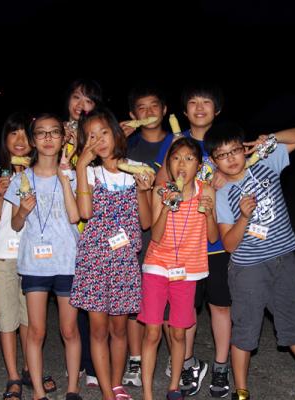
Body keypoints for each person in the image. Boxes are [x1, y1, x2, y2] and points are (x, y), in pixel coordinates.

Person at [206, 122, 295, 400]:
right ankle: (241, 392)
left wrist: (270, 138)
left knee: (294, 322)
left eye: (234, 150)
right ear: (214, 161)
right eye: (222, 155)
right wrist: (244, 217)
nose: (230, 159)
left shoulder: (265, 163)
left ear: (244, 149)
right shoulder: (222, 193)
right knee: (245, 331)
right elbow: (229, 244)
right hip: (248, 269)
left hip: (283, 261)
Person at [70, 107, 153, 400]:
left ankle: (116, 384)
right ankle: (107, 391)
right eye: (91, 136)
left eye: (104, 132)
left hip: (124, 262)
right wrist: (81, 167)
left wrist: (143, 190)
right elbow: (84, 212)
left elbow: (146, 222)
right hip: (94, 262)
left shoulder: (138, 169)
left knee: (120, 330)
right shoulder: (91, 173)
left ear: (117, 133)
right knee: (98, 330)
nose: (99, 140)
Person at [159, 83, 230, 397]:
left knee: (220, 307)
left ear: (217, 109)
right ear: (184, 110)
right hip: (182, 246)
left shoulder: (223, 142)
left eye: (206, 102)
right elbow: (161, 184)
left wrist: (227, 175)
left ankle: (221, 367)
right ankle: (187, 364)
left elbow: (242, 171)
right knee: (183, 313)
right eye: (193, 102)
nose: (200, 108)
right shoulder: (175, 142)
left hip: (215, 245)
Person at [5, 113, 82, 400]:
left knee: (69, 329)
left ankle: (73, 388)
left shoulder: (74, 176)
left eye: (54, 132)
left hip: (67, 261)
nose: (48, 138)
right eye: (41, 133)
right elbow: (15, 224)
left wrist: (66, 179)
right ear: (33, 140)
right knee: (36, 331)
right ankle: (38, 391)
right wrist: (23, 211)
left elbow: (77, 216)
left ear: (63, 138)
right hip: (35, 264)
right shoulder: (21, 178)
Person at [139, 137, 218, 400]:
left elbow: (213, 237)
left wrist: (209, 213)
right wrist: (166, 208)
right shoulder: (160, 191)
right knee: (152, 332)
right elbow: (155, 235)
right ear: (168, 164)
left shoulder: (206, 191)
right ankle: (147, 393)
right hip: (157, 266)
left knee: (178, 332)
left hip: (188, 270)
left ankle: (173, 388)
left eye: (188, 158)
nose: (181, 164)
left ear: (199, 165)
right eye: (175, 158)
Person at [119, 84, 174, 387]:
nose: (149, 112)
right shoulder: (127, 145)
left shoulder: (178, 141)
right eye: (142, 107)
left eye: (155, 105)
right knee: (134, 299)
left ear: (164, 110)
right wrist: (117, 139)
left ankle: (178, 357)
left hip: (170, 229)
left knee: (170, 298)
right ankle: (136, 359)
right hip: (134, 229)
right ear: (132, 114)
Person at [0, 112, 37, 400]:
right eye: (14, 133)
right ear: (5, 139)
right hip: (3, 256)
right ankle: (13, 375)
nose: (20, 140)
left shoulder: (39, 172)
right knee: (7, 319)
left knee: (30, 318)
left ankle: (30, 368)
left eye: (25, 135)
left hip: (33, 258)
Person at [62, 78, 103, 387]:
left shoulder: (98, 135)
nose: (81, 104)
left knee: (92, 299)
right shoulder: (56, 133)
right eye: (77, 97)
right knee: (71, 299)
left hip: (92, 226)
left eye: (88, 100)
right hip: (63, 227)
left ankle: (92, 364)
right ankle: (77, 361)